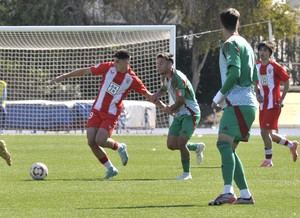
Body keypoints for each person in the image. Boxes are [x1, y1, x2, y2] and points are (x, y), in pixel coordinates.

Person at [51, 49, 154, 179]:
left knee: (100, 140)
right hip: (97, 109)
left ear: (125, 62)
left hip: (111, 113)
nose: (114, 63)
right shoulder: (108, 67)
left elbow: (148, 95)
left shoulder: (132, 79)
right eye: (114, 60)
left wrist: (164, 106)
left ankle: (119, 147)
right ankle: (111, 169)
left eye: (117, 61)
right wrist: (64, 76)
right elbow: (86, 71)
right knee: (91, 141)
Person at [209, 8, 257, 205]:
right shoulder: (246, 43)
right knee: (230, 150)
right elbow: (253, 76)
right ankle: (245, 194)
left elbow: (234, 73)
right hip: (249, 103)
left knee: (222, 144)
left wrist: (218, 97)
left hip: (237, 103)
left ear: (221, 24)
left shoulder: (230, 44)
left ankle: (228, 192)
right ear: (238, 22)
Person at [151, 52, 205, 181]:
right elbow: (164, 89)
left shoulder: (177, 78)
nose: (158, 66)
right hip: (180, 113)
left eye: (161, 63)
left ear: (170, 64)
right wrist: (156, 95)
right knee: (171, 145)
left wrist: (169, 109)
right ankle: (196, 147)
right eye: (157, 64)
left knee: (181, 143)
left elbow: (181, 101)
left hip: (190, 113)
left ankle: (187, 174)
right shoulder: (165, 77)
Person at [256, 41, 298, 167]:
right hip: (263, 105)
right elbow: (255, 83)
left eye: (265, 50)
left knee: (264, 132)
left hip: (273, 105)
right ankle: (291, 145)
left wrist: (281, 99)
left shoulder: (275, 67)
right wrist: (257, 93)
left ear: (270, 53)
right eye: (261, 50)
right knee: (269, 134)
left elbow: (286, 82)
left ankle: (268, 160)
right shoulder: (257, 66)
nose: (262, 53)